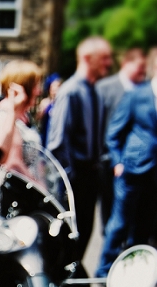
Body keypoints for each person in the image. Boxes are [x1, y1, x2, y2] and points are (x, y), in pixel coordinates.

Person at [97, 47, 157, 277]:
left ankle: (131, 271)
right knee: (119, 224)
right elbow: (114, 132)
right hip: (131, 169)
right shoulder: (136, 95)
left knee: (144, 228)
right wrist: (118, 162)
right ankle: (104, 271)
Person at [46, 36, 114, 272]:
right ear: (87, 58)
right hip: (74, 178)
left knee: (86, 229)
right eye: (104, 58)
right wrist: (68, 181)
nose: (109, 63)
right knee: (70, 233)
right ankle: (63, 280)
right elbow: (57, 143)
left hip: (92, 173)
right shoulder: (71, 92)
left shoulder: (94, 92)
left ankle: (72, 274)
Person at [96, 48, 147, 227]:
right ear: (126, 63)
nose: (143, 71)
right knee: (109, 205)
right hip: (108, 158)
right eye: (139, 67)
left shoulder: (144, 90)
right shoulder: (104, 88)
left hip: (135, 160)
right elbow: (97, 124)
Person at [0, 61, 44, 180]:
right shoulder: (2, 117)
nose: (39, 91)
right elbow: (12, 162)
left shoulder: (25, 116)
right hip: (16, 193)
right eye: (35, 86)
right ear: (24, 87)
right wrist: (38, 188)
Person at [37, 73, 61, 144]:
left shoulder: (61, 103)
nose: (55, 90)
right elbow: (38, 119)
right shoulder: (45, 102)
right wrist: (42, 111)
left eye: (57, 87)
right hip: (46, 131)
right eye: (53, 88)